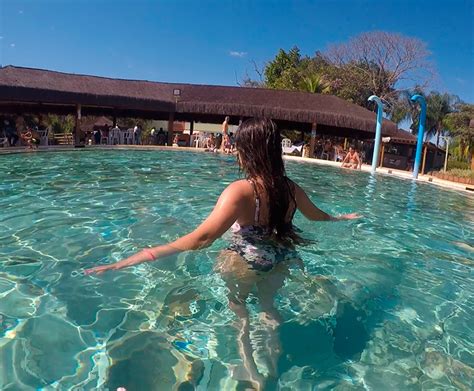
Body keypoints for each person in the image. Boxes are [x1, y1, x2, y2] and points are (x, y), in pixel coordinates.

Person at [85, 118, 360, 389]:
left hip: (246, 258)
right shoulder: (290, 189)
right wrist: (342, 218)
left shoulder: (241, 191)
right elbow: (317, 216)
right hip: (280, 256)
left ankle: (250, 370)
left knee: (239, 311)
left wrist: (136, 257)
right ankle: (274, 371)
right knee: (269, 309)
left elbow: (201, 239)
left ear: (247, 151)